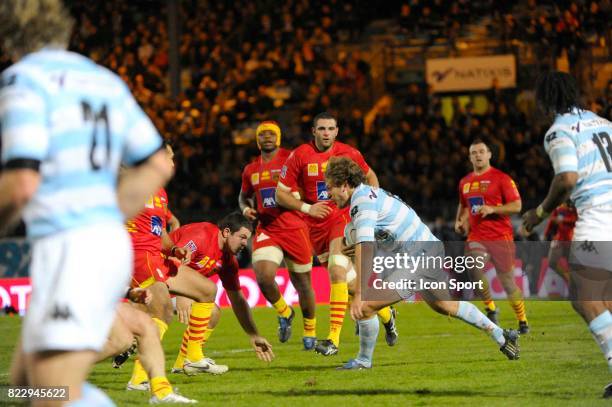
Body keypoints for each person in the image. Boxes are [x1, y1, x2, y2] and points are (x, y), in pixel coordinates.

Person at [0, 0, 174, 404]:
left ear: (9, 37)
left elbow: (22, 180)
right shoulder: (103, 81)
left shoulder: (22, 81)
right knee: (24, 382)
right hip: (100, 244)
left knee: (52, 393)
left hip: (71, 247)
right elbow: (156, 163)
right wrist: (107, 214)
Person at [325, 157, 520, 370]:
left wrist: (361, 292)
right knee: (445, 306)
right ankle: (502, 336)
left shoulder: (361, 202)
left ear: (344, 184)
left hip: (418, 257)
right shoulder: (368, 194)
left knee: (365, 306)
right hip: (429, 249)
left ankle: (363, 361)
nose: (329, 194)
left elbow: (366, 246)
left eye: (330, 188)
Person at [522, 71, 612, 399]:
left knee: (584, 296)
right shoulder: (603, 122)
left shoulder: (559, 131)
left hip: (599, 218)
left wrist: (540, 212)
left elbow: (567, 179)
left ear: (546, 101)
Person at [276, 112, 395, 356]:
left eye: (331, 128)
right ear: (314, 131)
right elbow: (281, 194)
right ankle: (386, 313)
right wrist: (307, 208)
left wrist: (369, 207)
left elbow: (370, 176)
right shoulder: (299, 155)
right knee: (349, 284)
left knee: (336, 270)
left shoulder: (348, 153)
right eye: (322, 129)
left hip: (342, 218)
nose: (326, 133)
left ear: (337, 131)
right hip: (315, 226)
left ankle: (333, 339)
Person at [239, 121, 317, 349]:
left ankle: (310, 331)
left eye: (271, 133)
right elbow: (243, 196)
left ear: (279, 138)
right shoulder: (250, 170)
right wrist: (245, 209)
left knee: (303, 284)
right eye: (262, 134)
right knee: (263, 277)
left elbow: (310, 185)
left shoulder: (291, 160)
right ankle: (285, 311)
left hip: (295, 228)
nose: (266, 137)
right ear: (257, 140)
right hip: (267, 228)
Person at [169, 213, 275, 374]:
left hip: (174, 288)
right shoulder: (202, 234)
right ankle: (191, 359)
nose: (245, 244)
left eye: (247, 239)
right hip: (153, 279)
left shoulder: (228, 262)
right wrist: (182, 296)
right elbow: (174, 259)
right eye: (242, 237)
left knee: (213, 313)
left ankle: (183, 362)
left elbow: (238, 300)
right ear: (226, 232)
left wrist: (254, 335)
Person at [455, 139, 529, 333]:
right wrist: (460, 221)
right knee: (473, 266)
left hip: (500, 236)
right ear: (470, 157)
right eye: (474, 153)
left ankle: (522, 320)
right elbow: (463, 205)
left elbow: (517, 206)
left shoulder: (502, 179)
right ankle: (491, 308)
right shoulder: (465, 182)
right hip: (477, 236)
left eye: (481, 151)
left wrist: (493, 209)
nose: (478, 155)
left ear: (489, 154)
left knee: (507, 282)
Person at [543, 200, 577, 283]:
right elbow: (551, 220)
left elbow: (575, 220)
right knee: (551, 263)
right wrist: (546, 233)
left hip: (571, 240)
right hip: (559, 240)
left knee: (573, 265)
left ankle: (574, 285)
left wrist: (562, 220)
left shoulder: (573, 209)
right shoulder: (557, 209)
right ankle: (566, 276)